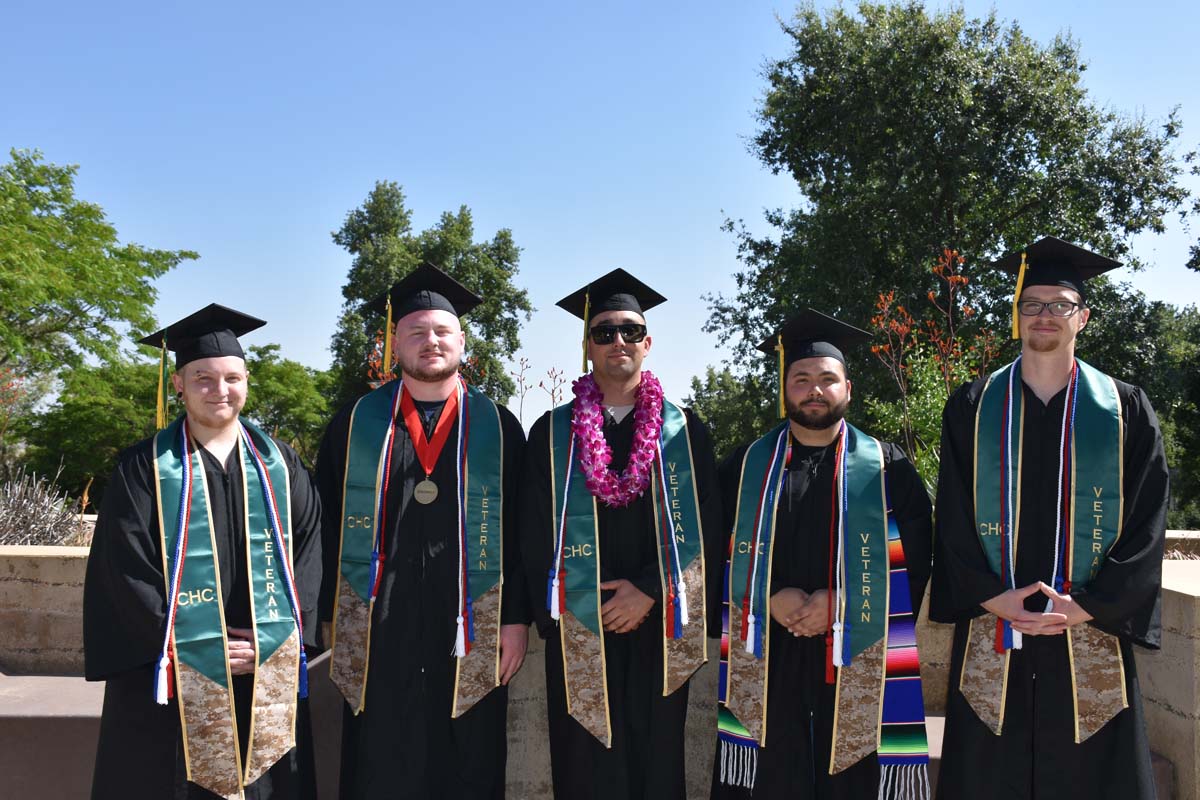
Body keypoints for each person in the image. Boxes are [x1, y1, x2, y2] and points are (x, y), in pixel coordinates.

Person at [931, 237, 1169, 799]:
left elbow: (1147, 519)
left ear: (1081, 317)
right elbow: (955, 514)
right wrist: (992, 596)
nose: (1044, 315)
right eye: (1031, 304)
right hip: (997, 625)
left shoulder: (1123, 408)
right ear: (1016, 316)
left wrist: (1091, 604)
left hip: (1088, 625)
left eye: (1059, 304)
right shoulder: (973, 405)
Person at [84, 304, 322, 800]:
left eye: (231, 378)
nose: (220, 390)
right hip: (171, 670)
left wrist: (274, 638)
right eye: (203, 378)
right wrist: (195, 644)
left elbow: (310, 554)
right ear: (178, 385)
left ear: (247, 382)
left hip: (261, 668)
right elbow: (125, 569)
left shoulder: (282, 465)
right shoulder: (143, 468)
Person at [316, 262, 530, 800]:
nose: (430, 342)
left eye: (441, 331)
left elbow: (525, 529)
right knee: (382, 753)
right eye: (415, 332)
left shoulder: (500, 426)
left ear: (462, 341)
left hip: (471, 617)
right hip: (378, 618)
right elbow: (324, 519)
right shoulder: (356, 422)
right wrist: (328, 613)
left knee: (470, 752)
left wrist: (517, 619)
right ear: (395, 344)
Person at [711, 309, 934, 800]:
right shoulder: (746, 468)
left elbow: (917, 557)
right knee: (771, 775)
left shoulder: (887, 467)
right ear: (785, 388)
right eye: (802, 379)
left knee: (853, 774)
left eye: (827, 379)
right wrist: (766, 597)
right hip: (768, 647)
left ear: (847, 389)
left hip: (857, 644)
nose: (814, 389)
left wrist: (842, 602)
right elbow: (709, 552)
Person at [518, 268, 723, 800]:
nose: (618, 342)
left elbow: (707, 525)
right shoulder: (551, 431)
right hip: (580, 621)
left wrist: (651, 590)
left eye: (630, 331)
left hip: (660, 621)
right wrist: (576, 601)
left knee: (657, 759)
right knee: (584, 761)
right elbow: (533, 530)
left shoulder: (685, 431)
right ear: (588, 345)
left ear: (648, 343)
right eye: (604, 331)